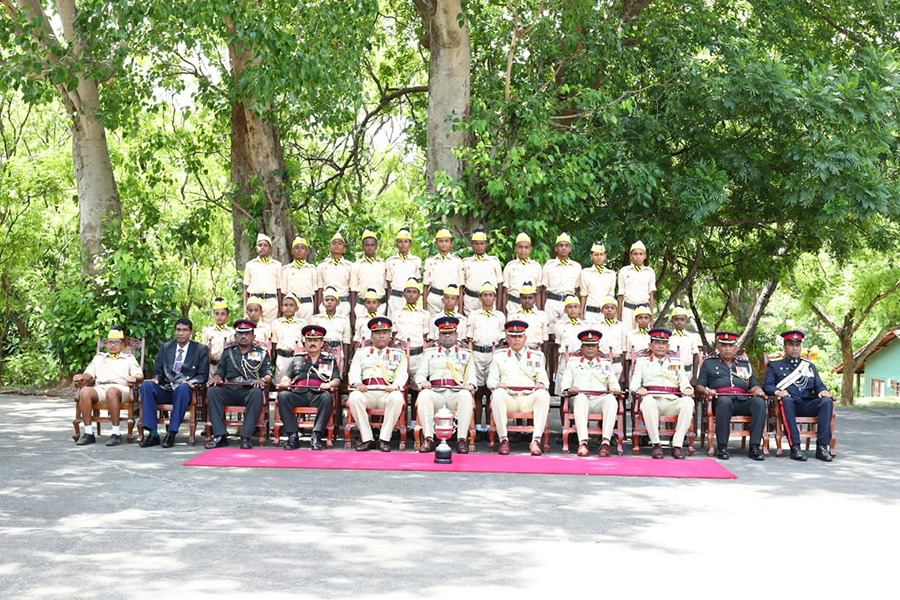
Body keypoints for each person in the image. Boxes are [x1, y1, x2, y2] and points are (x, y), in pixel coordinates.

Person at [763, 330, 834, 462]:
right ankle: (795, 447)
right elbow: (767, 386)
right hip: (789, 404)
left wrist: (823, 391)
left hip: (807, 404)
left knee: (827, 402)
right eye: (791, 345)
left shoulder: (809, 366)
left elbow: (818, 384)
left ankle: (822, 447)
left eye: (797, 345)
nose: (794, 348)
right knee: (786, 400)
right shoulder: (775, 365)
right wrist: (778, 391)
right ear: (784, 347)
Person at [695, 331, 767, 460]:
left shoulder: (744, 364)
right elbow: (699, 385)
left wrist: (758, 390)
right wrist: (707, 390)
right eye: (723, 345)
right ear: (718, 347)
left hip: (742, 400)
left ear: (736, 348)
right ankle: (722, 446)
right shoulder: (709, 363)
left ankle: (755, 447)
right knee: (725, 401)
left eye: (730, 346)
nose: (727, 349)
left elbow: (753, 385)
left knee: (759, 403)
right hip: (720, 400)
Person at [139, 318, 210, 448]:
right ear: (174, 331)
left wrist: (191, 382)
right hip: (166, 389)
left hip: (184, 390)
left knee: (183, 388)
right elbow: (158, 371)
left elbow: (203, 375)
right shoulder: (166, 347)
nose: (181, 333)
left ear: (191, 332)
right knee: (146, 386)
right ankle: (153, 434)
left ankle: (171, 433)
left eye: (185, 330)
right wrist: (155, 379)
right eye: (178, 330)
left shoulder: (200, 349)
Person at [487, 320, 551, 456]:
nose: (516, 339)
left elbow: (544, 380)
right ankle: (504, 439)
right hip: (508, 397)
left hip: (528, 398)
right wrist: (497, 385)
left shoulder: (537, 356)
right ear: (507, 338)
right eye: (513, 336)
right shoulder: (499, 356)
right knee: (497, 394)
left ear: (525, 338)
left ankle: (536, 440)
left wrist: (540, 384)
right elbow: (491, 380)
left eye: (519, 336)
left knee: (543, 395)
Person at [206, 319, 271, 449]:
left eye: (247, 334)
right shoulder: (228, 352)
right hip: (231, 388)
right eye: (240, 334)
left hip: (249, 389)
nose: (243, 336)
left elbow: (268, 374)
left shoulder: (261, 352)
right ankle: (220, 436)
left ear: (253, 336)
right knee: (212, 392)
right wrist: (217, 378)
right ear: (235, 336)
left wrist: (262, 380)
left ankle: (245, 437)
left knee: (257, 393)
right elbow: (220, 372)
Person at [629, 328, 694, 459]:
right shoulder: (642, 362)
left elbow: (684, 382)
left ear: (668, 346)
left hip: (672, 402)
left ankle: (677, 445)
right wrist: (638, 390)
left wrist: (687, 389)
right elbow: (634, 384)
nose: (660, 346)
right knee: (647, 401)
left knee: (688, 402)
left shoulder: (677, 363)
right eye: (657, 343)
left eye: (663, 343)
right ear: (650, 346)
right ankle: (656, 444)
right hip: (652, 400)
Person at [415, 317, 476, 454]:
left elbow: (472, 377)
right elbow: (419, 375)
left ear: (456, 335)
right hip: (436, 393)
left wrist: (470, 385)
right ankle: (429, 438)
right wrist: (423, 382)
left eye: (450, 333)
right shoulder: (430, 354)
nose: (447, 336)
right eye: (444, 333)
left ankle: (461, 439)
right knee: (424, 395)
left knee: (466, 396)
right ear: (439, 336)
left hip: (456, 392)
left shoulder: (466, 354)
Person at [73, 327, 143, 446]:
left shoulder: (128, 358)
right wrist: (81, 376)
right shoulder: (99, 357)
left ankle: (116, 434)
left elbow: (139, 375)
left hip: (121, 389)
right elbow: (89, 374)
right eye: (110, 342)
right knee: (85, 391)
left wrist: (134, 377)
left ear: (122, 345)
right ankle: (88, 433)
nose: (112, 345)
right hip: (100, 388)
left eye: (116, 342)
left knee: (111, 391)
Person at [347, 316, 408, 452]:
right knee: (354, 398)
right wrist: (357, 384)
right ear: (371, 337)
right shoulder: (361, 353)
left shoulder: (398, 354)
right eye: (377, 333)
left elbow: (403, 373)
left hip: (387, 392)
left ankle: (384, 439)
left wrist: (396, 385)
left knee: (397, 397)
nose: (381, 336)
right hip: (367, 391)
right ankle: (367, 439)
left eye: (384, 333)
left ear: (390, 336)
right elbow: (354, 371)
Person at [277, 324, 339, 451]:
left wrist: (328, 384)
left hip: (317, 394)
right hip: (299, 393)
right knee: (283, 396)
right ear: (305, 343)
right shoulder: (297, 359)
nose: (312, 343)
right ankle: (293, 436)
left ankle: (316, 435)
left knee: (327, 398)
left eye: (316, 341)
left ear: (322, 343)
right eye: (309, 340)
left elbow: (337, 380)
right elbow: (287, 376)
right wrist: (285, 381)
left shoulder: (329, 360)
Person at [560, 330, 620, 457]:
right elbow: (564, 384)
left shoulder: (606, 364)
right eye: (587, 346)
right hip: (580, 399)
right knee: (580, 398)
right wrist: (570, 389)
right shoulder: (573, 362)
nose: (590, 348)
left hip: (600, 400)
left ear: (598, 348)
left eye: (593, 346)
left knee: (611, 399)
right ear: (582, 348)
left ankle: (605, 442)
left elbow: (614, 383)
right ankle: (583, 442)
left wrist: (615, 389)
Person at [465, 282, 506, 440]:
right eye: (485, 295)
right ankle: (476, 427)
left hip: (493, 355)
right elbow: (469, 338)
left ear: (495, 297)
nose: (488, 298)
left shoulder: (500, 316)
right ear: (480, 298)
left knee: (491, 391)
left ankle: (490, 427)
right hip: (477, 354)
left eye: (491, 295)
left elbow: (502, 340)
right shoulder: (474, 316)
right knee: (477, 390)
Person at [541, 232, 582, 338]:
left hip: (569, 304)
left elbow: (576, 291)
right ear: (556, 248)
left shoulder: (576, 267)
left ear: (570, 249)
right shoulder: (549, 265)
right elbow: (543, 289)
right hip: (552, 303)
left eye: (566, 245)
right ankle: (549, 355)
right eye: (561, 245)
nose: (563, 248)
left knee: (566, 334)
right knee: (550, 334)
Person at [391, 278, 430, 378]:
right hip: (401, 355)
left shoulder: (424, 314)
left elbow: (425, 337)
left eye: (414, 292)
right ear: (404, 294)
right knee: (399, 383)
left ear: (418, 295)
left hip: (418, 355)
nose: (411, 295)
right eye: (408, 292)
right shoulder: (396, 313)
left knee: (417, 385)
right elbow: (394, 336)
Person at [350, 229, 387, 328]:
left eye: (372, 245)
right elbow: (353, 291)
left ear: (376, 246)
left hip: (380, 306)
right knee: (363, 334)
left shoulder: (383, 264)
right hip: (361, 306)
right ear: (363, 247)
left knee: (379, 332)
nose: (369, 248)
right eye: (367, 245)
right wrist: (353, 315)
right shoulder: (356, 265)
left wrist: (386, 309)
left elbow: (387, 288)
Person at [461, 228, 503, 315]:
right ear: (472, 244)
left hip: (490, 303)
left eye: (481, 243)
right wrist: (460, 309)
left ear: (486, 244)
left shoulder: (494, 262)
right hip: (470, 303)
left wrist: (499, 307)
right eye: (476, 243)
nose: (479, 246)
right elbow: (461, 287)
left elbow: (500, 285)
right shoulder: (465, 263)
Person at [243, 232, 282, 326]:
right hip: (254, 303)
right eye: (260, 245)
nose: (262, 247)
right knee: (254, 330)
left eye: (265, 245)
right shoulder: (250, 265)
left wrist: (280, 309)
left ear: (270, 248)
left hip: (271, 303)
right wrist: (245, 310)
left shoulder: (276, 265)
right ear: (256, 248)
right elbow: (246, 289)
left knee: (270, 330)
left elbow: (279, 289)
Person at [554, 294, 589, 394]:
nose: (572, 310)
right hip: (565, 359)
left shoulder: (586, 326)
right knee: (563, 388)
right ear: (565, 310)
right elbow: (558, 344)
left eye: (575, 307)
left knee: (579, 386)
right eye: (569, 307)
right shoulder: (560, 326)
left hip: (580, 359)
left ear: (580, 309)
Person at [423, 228, 463, 315]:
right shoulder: (430, 262)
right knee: (433, 324)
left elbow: (460, 286)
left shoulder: (457, 262)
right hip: (434, 299)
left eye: (446, 241)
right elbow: (425, 286)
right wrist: (425, 308)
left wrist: (460, 308)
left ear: (451, 243)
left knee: (450, 325)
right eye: (441, 241)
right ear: (436, 244)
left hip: (451, 298)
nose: (444, 244)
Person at [385, 227, 422, 319]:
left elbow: (416, 282)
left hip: (410, 298)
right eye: (400, 242)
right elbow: (389, 284)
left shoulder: (416, 261)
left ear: (410, 244)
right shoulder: (390, 261)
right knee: (394, 323)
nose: (403, 244)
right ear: (397, 244)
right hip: (395, 299)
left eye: (406, 241)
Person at [617, 240, 656, 328]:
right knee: (626, 337)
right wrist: (619, 316)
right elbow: (621, 295)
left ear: (645, 256)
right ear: (631, 256)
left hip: (644, 311)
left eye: (641, 254)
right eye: (635, 254)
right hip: (628, 309)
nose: (638, 256)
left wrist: (651, 318)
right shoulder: (624, 271)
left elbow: (651, 295)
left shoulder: (649, 272)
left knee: (643, 337)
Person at [501, 232, 543, 314]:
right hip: (513, 307)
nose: (523, 250)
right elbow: (505, 293)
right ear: (515, 249)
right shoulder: (509, 266)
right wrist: (504, 313)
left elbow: (538, 292)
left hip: (531, 308)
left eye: (526, 247)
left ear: (530, 249)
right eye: (520, 247)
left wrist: (539, 311)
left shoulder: (536, 267)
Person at [280, 236, 318, 322]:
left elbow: (316, 292)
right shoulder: (286, 270)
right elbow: (283, 292)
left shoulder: (312, 269)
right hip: (290, 306)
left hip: (307, 305)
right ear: (292, 251)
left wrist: (316, 310)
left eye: (302, 248)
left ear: (307, 251)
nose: (299, 250)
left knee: (307, 331)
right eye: (296, 248)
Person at [271, 292, 307, 383]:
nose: (288, 307)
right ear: (282, 308)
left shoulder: (302, 323)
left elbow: (304, 344)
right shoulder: (276, 323)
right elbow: (274, 345)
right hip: (281, 359)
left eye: (291, 305)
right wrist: (273, 362)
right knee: (281, 384)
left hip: (296, 358)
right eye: (285, 305)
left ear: (296, 308)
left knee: (296, 384)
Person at [309, 286, 352, 361]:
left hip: (337, 354)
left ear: (338, 303)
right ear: (323, 303)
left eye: (332, 300)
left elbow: (346, 343)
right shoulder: (316, 319)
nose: (329, 302)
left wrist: (345, 365)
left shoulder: (344, 320)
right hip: (321, 353)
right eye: (327, 300)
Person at [317, 232, 353, 317]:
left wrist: (352, 314)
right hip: (326, 304)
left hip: (343, 304)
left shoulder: (350, 266)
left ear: (344, 249)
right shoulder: (322, 266)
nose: (337, 245)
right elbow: (320, 289)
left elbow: (352, 290)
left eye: (340, 243)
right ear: (329, 248)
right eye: (334, 243)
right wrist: (319, 308)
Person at [507, 282, 549, 351]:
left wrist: (543, 357)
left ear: (535, 299)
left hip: (535, 351)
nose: (527, 301)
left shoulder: (542, 316)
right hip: (517, 351)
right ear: (520, 299)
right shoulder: (512, 315)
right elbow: (509, 338)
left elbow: (545, 340)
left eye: (530, 298)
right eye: (524, 298)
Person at [580, 242, 616, 323]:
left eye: (601, 254)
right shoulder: (585, 273)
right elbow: (583, 295)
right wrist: (581, 315)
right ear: (591, 256)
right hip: (590, 314)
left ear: (605, 256)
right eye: (596, 255)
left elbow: (611, 297)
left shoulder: (611, 274)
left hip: (604, 314)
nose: (599, 257)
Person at [595, 296, 627, 385]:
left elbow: (624, 350)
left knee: (614, 388)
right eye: (606, 308)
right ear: (602, 310)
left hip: (616, 363)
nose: (609, 310)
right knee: (601, 387)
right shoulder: (596, 326)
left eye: (612, 308)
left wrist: (623, 373)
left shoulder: (622, 327)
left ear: (616, 310)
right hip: (601, 362)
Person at [201, 298, 235, 378]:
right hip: (212, 367)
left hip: (227, 368)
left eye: (223, 314)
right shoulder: (207, 332)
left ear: (227, 317)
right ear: (213, 316)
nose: (219, 317)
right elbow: (204, 350)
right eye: (217, 314)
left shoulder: (232, 332)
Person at [669, 306, 701, 383]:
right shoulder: (668, 338)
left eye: (682, 319)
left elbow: (695, 355)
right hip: (672, 372)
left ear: (686, 321)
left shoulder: (691, 337)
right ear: (672, 321)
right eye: (676, 319)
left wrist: (694, 376)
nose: (679, 322)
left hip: (688, 373)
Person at [624, 305, 653, 377]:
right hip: (634, 370)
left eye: (646, 318)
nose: (643, 320)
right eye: (640, 318)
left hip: (650, 370)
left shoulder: (653, 335)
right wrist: (626, 378)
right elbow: (628, 358)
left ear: (650, 319)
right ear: (636, 320)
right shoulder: (630, 335)